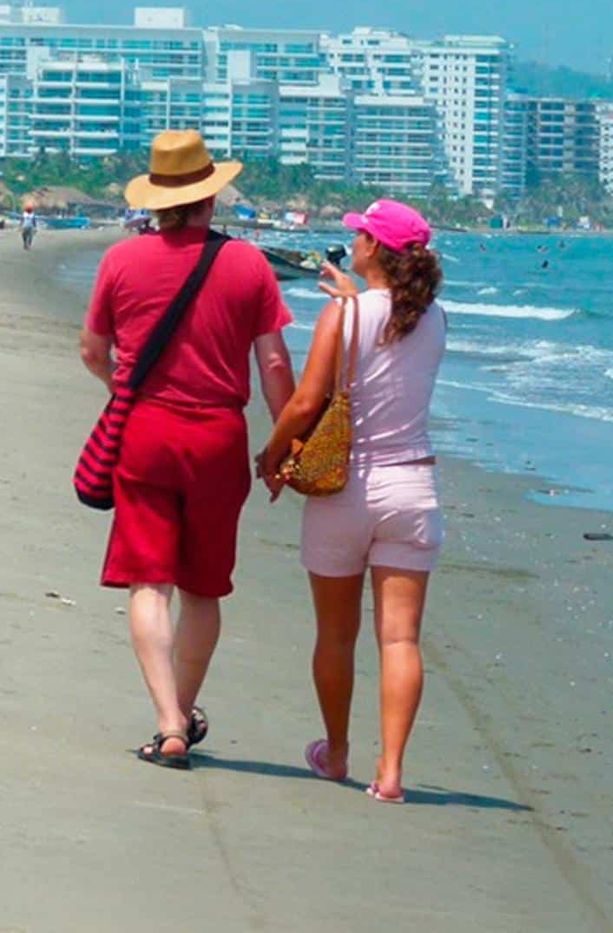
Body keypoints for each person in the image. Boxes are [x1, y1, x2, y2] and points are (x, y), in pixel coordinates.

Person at [79, 131, 296, 769]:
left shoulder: (122, 261)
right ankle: (184, 712)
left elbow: (95, 352)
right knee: (204, 586)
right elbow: (275, 362)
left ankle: (169, 721)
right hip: (218, 436)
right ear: (210, 198)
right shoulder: (248, 265)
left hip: (145, 431)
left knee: (150, 581)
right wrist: (283, 442)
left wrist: (124, 388)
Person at [258, 198, 445, 804]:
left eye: (361, 235)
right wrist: (350, 298)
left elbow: (307, 403)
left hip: (347, 491)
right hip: (413, 487)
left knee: (336, 635)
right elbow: (387, 326)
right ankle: (390, 774)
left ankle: (336, 753)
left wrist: (272, 457)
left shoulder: (344, 318)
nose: (355, 242)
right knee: (400, 640)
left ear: (375, 250)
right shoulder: (435, 318)